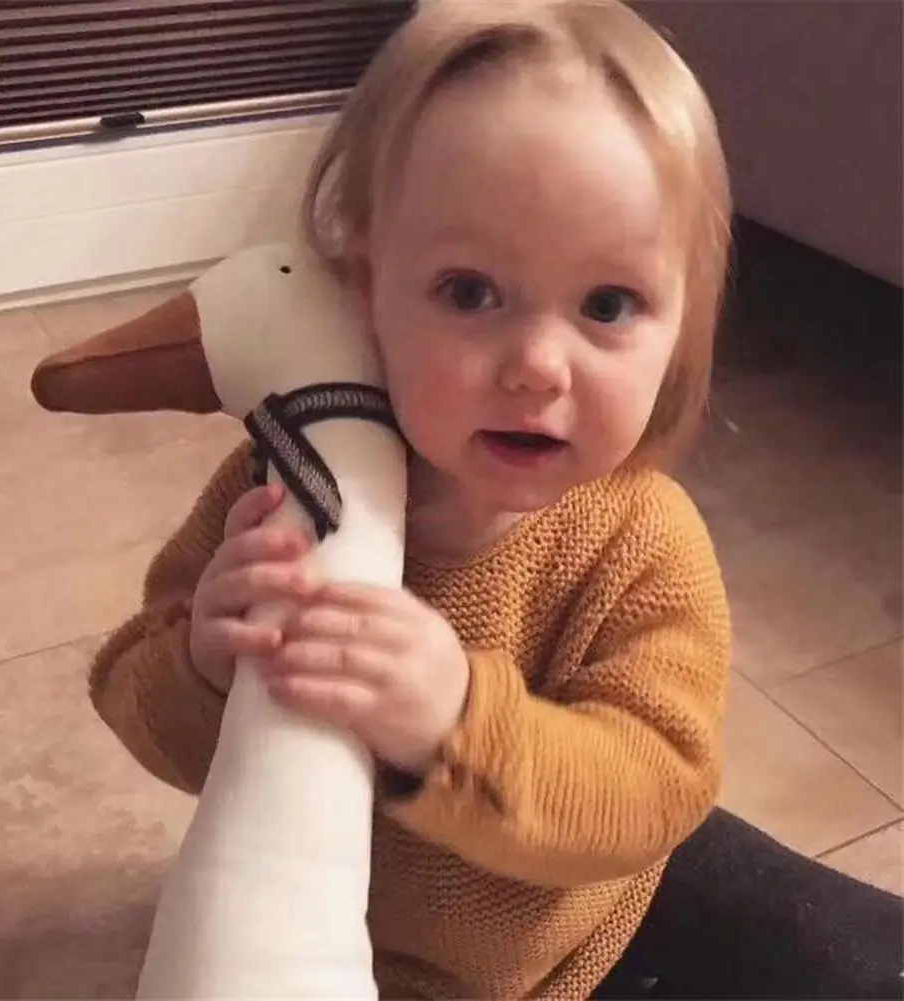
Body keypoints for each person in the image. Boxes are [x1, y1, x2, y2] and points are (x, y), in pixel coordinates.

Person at [88, 1, 903, 997]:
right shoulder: (286, 487)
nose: (535, 366)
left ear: (682, 326)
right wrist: (204, 663)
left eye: (606, 305)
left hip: (597, 915)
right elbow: (132, 699)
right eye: (469, 292)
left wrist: (455, 720)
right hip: (382, 957)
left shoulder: (642, 540)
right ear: (365, 289)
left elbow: (656, 788)